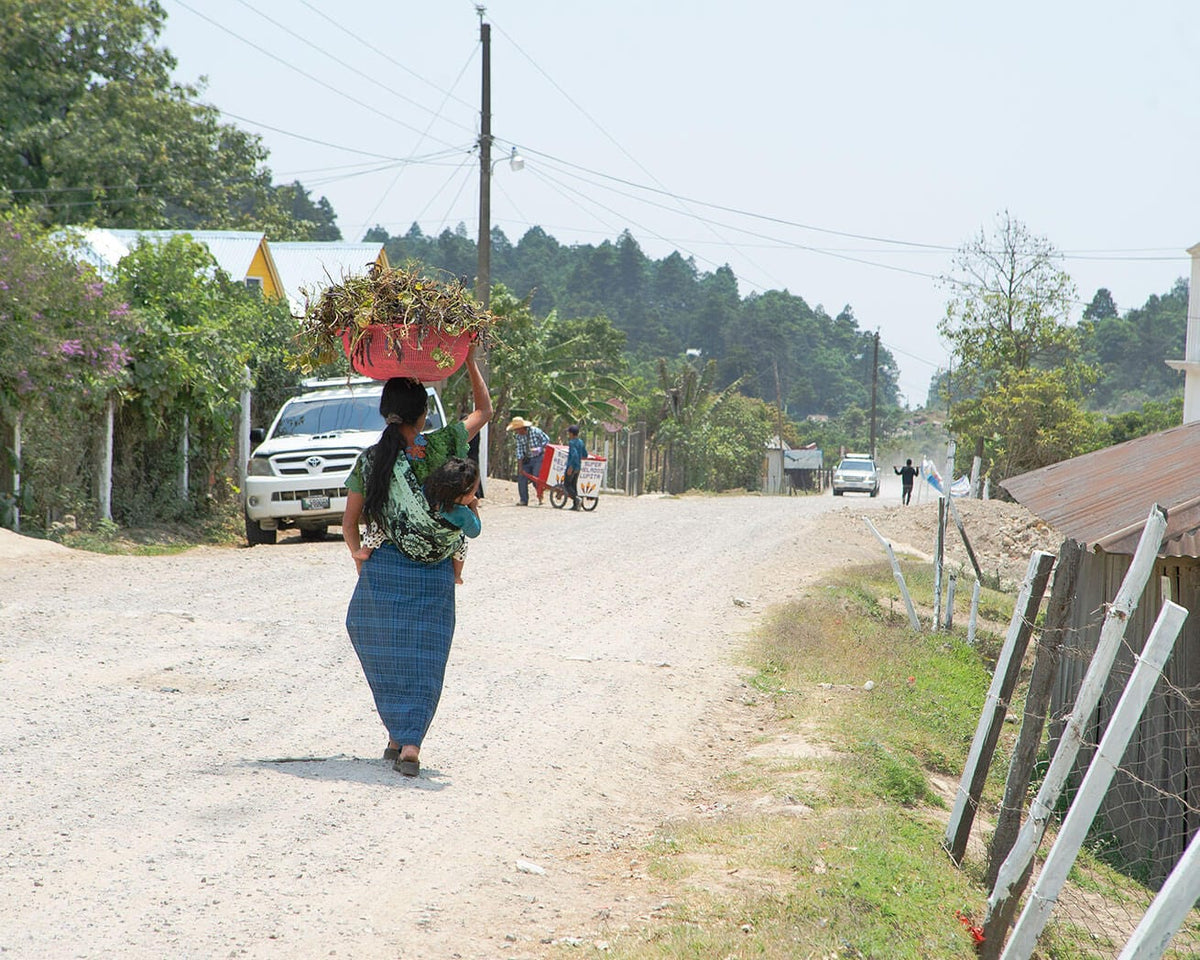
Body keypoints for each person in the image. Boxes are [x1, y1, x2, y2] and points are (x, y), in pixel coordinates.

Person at [341, 344, 492, 778]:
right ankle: (407, 742)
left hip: (386, 568)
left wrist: (358, 557)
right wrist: (468, 360)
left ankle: (397, 733)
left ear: (384, 412)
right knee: (425, 655)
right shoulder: (443, 444)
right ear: (423, 416)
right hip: (435, 574)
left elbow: (350, 522)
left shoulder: (370, 460)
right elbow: (484, 409)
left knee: (385, 646)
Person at [423, 457, 482, 584]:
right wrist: (473, 507)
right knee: (462, 543)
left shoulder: (427, 493)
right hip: (441, 544)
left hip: (422, 532)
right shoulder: (462, 514)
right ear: (465, 494)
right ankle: (457, 575)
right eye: (474, 492)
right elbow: (475, 532)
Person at [505, 416, 550, 506]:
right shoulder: (518, 437)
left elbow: (547, 440)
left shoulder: (535, 431)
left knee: (536, 478)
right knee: (522, 478)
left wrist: (540, 449)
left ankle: (540, 497)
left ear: (522, 428)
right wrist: (520, 467)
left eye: (517, 429)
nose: (516, 432)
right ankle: (523, 500)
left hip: (538, 458)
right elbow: (519, 451)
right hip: (527, 459)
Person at [563, 424, 588, 510]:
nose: (568, 435)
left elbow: (574, 455)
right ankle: (575, 505)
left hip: (572, 467)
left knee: (566, 485)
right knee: (574, 485)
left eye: (569, 433)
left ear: (572, 434)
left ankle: (576, 498)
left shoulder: (571, 442)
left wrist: (570, 467)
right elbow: (585, 454)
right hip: (578, 467)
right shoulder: (581, 442)